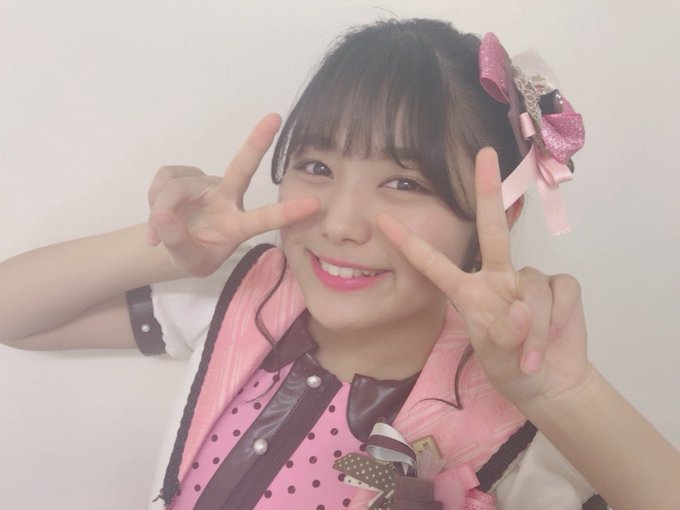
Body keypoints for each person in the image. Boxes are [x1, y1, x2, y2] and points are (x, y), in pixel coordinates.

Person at [1, 18, 678, 510]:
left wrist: (566, 397)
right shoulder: (246, 298)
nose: (340, 223)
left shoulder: (512, 434)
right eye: (318, 167)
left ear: (496, 212)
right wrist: (166, 244)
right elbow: (14, 313)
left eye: (404, 182)